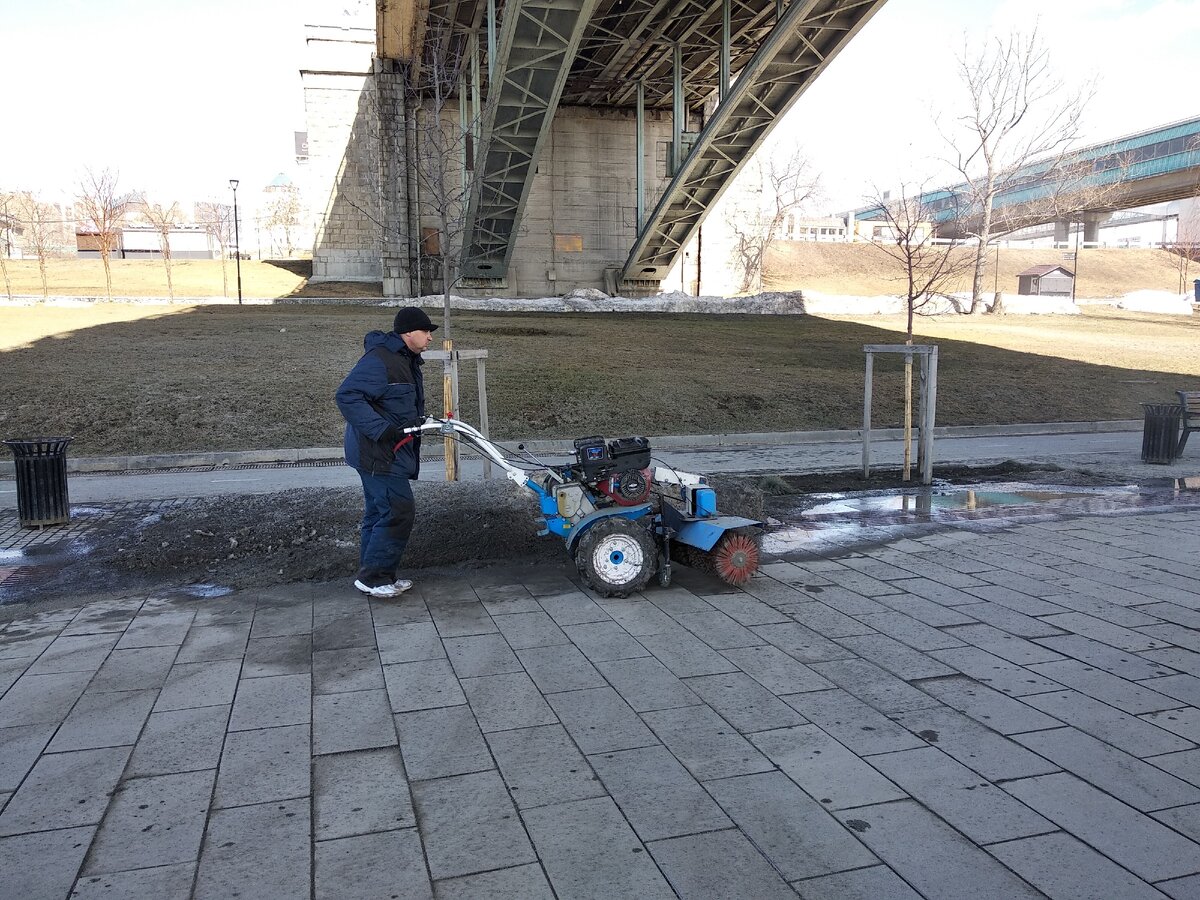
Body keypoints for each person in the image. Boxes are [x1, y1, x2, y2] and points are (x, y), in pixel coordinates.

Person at [335, 306, 437, 597]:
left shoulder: (405, 360)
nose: (430, 338)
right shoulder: (382, 360)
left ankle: (374, 575)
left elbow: (395, 402)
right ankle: (375, 578)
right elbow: (347, 396)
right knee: (397, 510)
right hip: (378, 451)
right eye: (426, 331)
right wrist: (381, 429)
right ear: (408, 333)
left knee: (380, 512)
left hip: (383, 450)